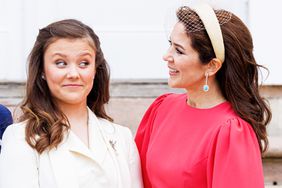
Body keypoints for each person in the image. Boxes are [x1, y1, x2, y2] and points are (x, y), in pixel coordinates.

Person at [135, 3, 271, 188]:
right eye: (170, 45)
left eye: (179, 50)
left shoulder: (231, 132)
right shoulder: (161, 109)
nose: (167, 56)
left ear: (212, 66)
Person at [0, 19, 143, 188]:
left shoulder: (121, 137)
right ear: (42, 71)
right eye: (60, 63)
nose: (74, 74)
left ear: (95, 70)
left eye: (84, 63)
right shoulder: (21, 137)